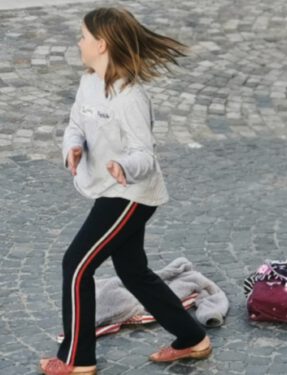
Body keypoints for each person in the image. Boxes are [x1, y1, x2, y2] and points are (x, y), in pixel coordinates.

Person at [40, 8, 211, 375]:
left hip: (131, 195)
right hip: (108, 190)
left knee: (76, 266)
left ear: (101, 45)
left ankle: (78, 359)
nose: (78, 41)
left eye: (83, 36)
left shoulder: (130, 97)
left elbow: (144, 157)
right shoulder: (88, 81)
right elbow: (74, 124)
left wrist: (124, 167)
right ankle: (192, 338)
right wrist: (72, 147)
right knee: (133, 272)